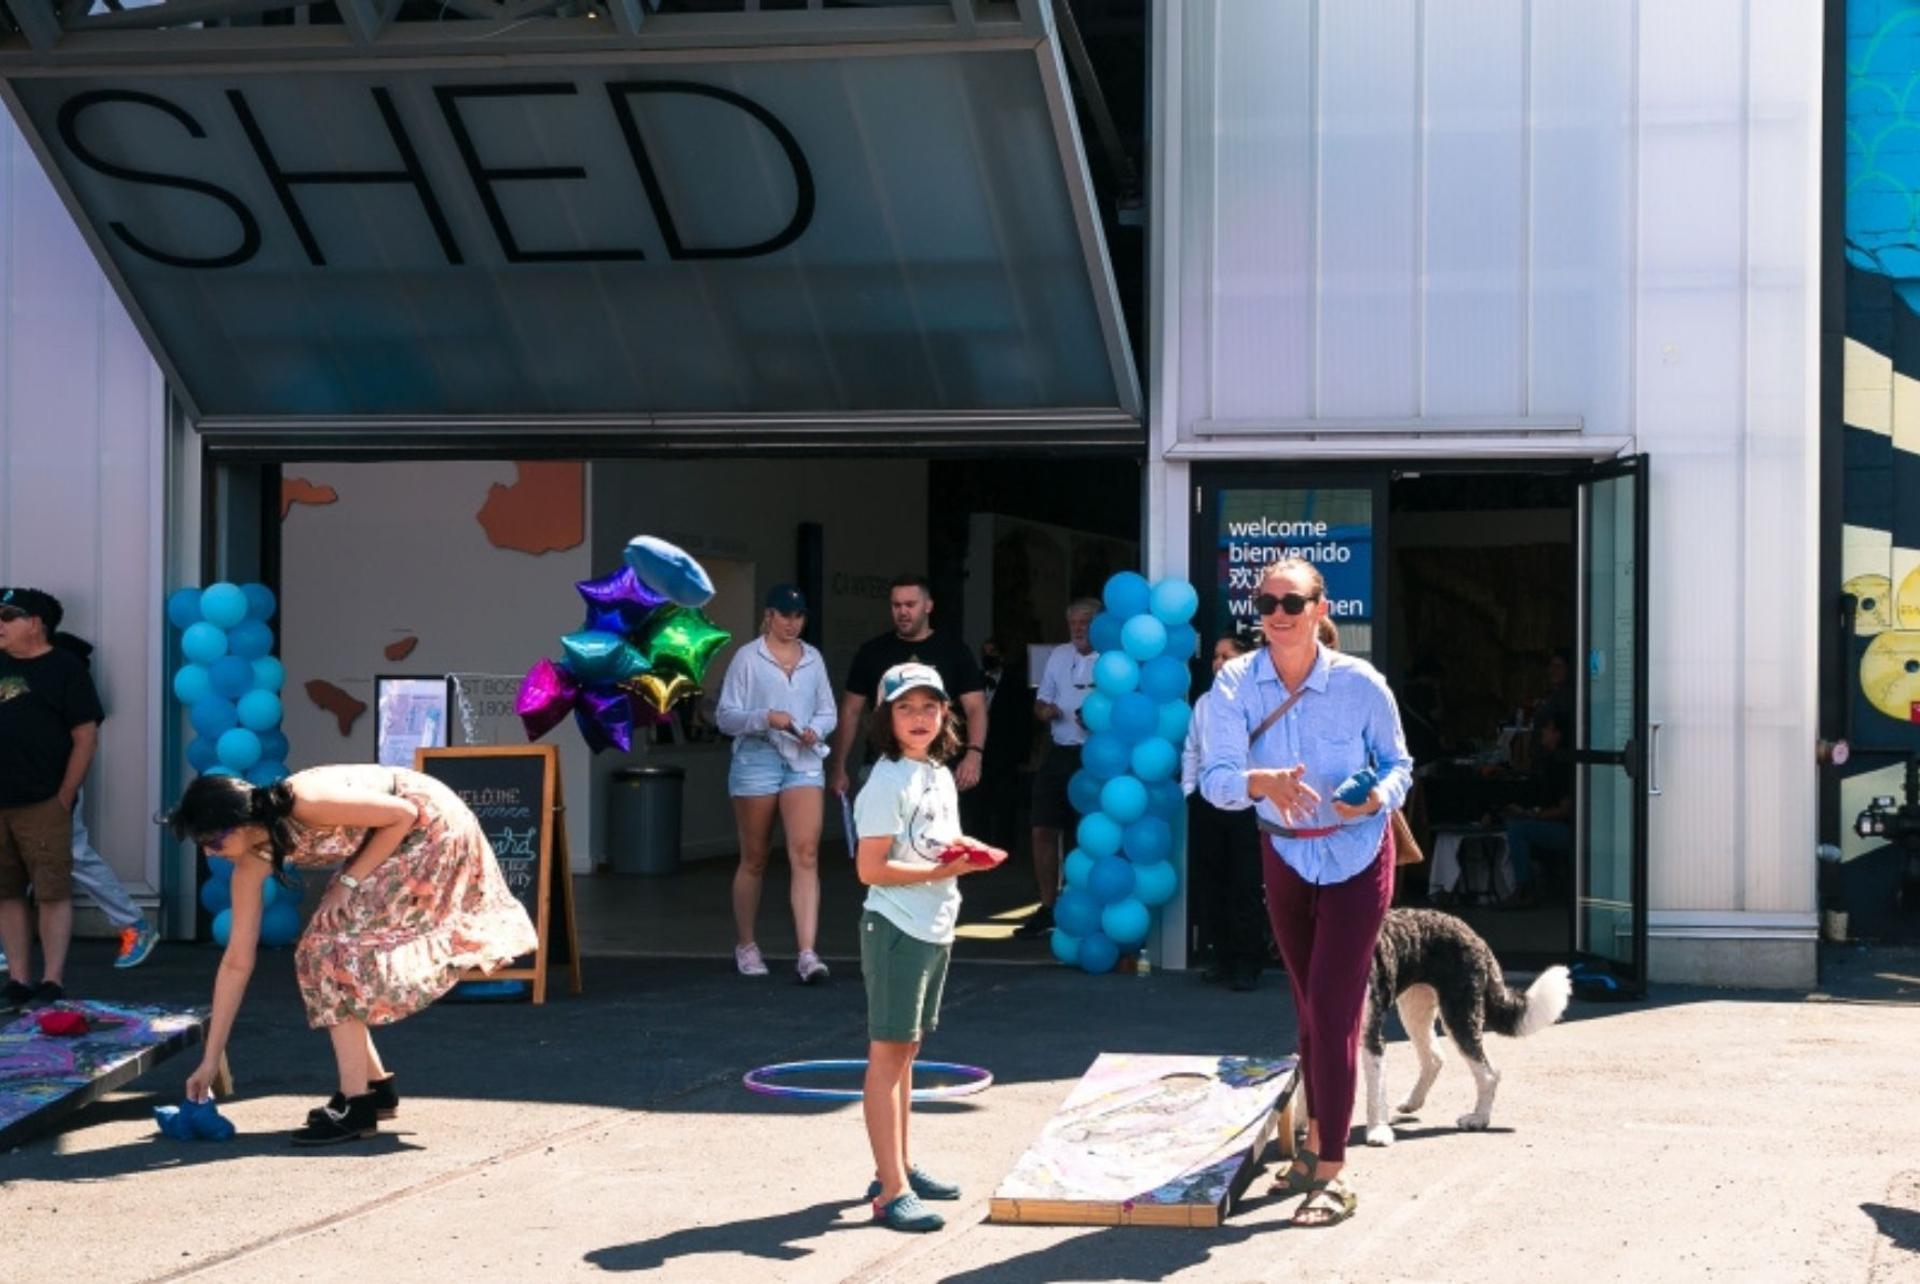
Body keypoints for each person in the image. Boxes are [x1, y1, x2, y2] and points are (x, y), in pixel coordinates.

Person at [1200, 557, 1413, 1227]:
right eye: (1266, 601)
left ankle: (1332, 1171)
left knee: (1332, 1002)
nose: (1278, 613)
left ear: (1323, 609)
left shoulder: (1361, 683)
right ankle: (1315, 1142)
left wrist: (1375, 794)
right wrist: (1263, 782)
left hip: (1355, 852)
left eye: (1292, 601)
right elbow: (1215, 779)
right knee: (1306, 1003)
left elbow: (1399, 763)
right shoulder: (1235, 683)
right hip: (1285, 851)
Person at [167, 765, 537, 1144]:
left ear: (240, 822)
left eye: (213, 841)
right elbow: (236, 961)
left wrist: (348, 881)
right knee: (324, 949)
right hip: (393, 837)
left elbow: (403, 815)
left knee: (324, 949)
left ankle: (356, 1105)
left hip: (429, 825)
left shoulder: (303, 800)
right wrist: (209, 1061)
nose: (210, 852)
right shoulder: (251, 862)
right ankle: (374, 1090)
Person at [852, 663, 1006, 1233]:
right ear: (885, 718)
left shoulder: (938, 773)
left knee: (907, 1053)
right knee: (887, 1056)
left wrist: (969, 850)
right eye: (904, 708)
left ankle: (899, 1167)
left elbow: (932, 842)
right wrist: (952, 868)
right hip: (897, 927)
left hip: (934, 923)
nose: (918, 718)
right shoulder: (886, 781)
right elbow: (870, 868)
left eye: (929, 707)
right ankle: (890, 1192)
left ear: (946, 713)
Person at [713, 585, 837, 982]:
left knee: (806, 854)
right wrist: (766, 717)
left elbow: (827, 710)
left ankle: (807, 952)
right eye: (784, 614)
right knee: (755, 857)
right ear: (768, 615)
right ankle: (746, 944)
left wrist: (815, 730)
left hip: (802, 760)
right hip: (757, 758)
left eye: (798, 615)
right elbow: (726, 716)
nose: (791, 622)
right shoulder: (748, 658)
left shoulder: (812, 658)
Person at [0, 588, 102, 1008]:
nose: (0, 625)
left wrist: (65, 795)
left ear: (35, 623)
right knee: (6, 890)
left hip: (43, 800)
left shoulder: (65, 669)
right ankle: (19, 979)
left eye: (7, 615)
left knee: (51, 890)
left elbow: (86, 736)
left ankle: (52, 980)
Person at [828, 576, 988, 802]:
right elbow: (850, 711)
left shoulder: (954, 651)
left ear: (928, 606)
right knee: (880, 835)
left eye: (910, 605)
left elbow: (975, 708)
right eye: (896, 605)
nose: (902, 611)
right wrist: (838, 766)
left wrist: (974, 755)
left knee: (938, 836)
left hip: (939, 764)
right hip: (881, 762)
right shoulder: (872, 652)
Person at [1181, 631, 1265, 989]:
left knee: (1245, 884)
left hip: (1249, 805)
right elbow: (1192, 749)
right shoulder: (1204, 703)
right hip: (1209, 804)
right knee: (1211, 884)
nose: (1218, 663)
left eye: (1227, 656)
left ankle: (1249, 962)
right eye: (1216, 656)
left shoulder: (1260, 701)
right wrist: (1190, 791)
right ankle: (1221, 958)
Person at [1020, 599, 1100, 939]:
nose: (1079, 629)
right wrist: (1045, 711)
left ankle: (1085, 906)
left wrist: (1098, 718)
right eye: (1074, 623)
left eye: (1085, 622)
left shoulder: (1114, 659)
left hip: (1096, 756)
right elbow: (1041, 700)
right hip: (1059, 751)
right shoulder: (1059, 655)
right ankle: (1048, 906)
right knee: (1042, 826)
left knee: (1088, 834)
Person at [1498, 712, 1574, 908]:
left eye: (1547, 729)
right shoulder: (1550, 762)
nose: (1542, 733)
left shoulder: (1563, 765)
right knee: (1515, 822)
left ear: (1557, 734)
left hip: (1568, 830)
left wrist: (1531, 815)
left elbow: (1565, 810)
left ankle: (1524, 889)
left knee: (1518, 829)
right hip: (1555, 824)